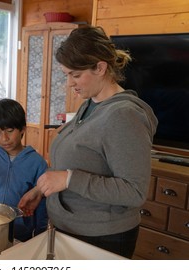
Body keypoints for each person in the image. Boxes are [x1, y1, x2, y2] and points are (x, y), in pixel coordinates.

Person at [18, 26, 158, 258]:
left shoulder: (123, 116)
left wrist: (69, 179)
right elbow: (83, 161)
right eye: (67, 75)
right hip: (72, 229)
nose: (70, 83)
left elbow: (134, 191)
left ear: (100, 68)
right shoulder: (89, 105)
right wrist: (42, 189)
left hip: (102, 237)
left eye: (75, 75)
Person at [0, 98, 48, 241]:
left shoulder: (37, 163)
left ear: (22, 129)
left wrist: (41, 234)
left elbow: (42, 205)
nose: (4, 138)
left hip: (20, 232)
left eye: (9, 130)